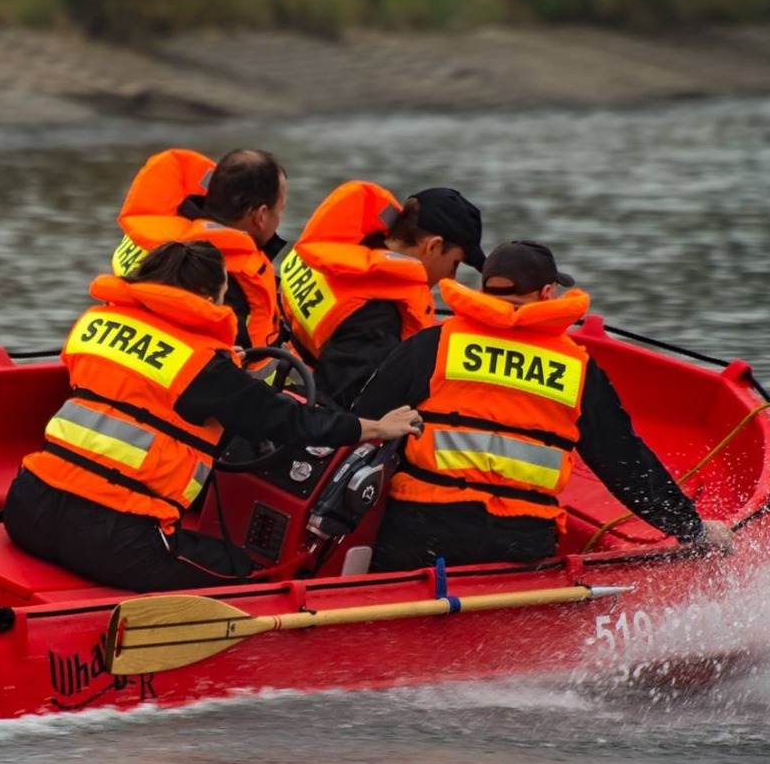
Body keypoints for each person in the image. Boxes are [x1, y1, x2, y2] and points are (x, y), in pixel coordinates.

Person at [6, 241, 423, 592]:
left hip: (27, 507)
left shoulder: (94, 323)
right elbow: (289, 421)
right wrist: (374, 427)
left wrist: (222, 366)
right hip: (111, 539)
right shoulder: (203, 368)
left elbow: (140, 385)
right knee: (249, 571)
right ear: (207, 298)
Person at [352, 240, 736, 571]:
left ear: (485, 289)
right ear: (548, 293)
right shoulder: (576, 368)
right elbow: (625, 464)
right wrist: (692, 529)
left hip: (423, 532)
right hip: (520, 540)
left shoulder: (433, 345)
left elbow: (362, 424)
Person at [280, 183, 485, 408]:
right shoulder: (381, 316)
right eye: (455, 263)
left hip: (283, 366)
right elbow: (348, 407)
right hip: (300, 406)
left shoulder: (342, 248)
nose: (452, 276)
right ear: (433, 247)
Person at [111, 148, 288, 350]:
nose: (279, 219)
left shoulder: (153, 236)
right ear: (261, 216)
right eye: (280, 210)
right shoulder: (220, 277)